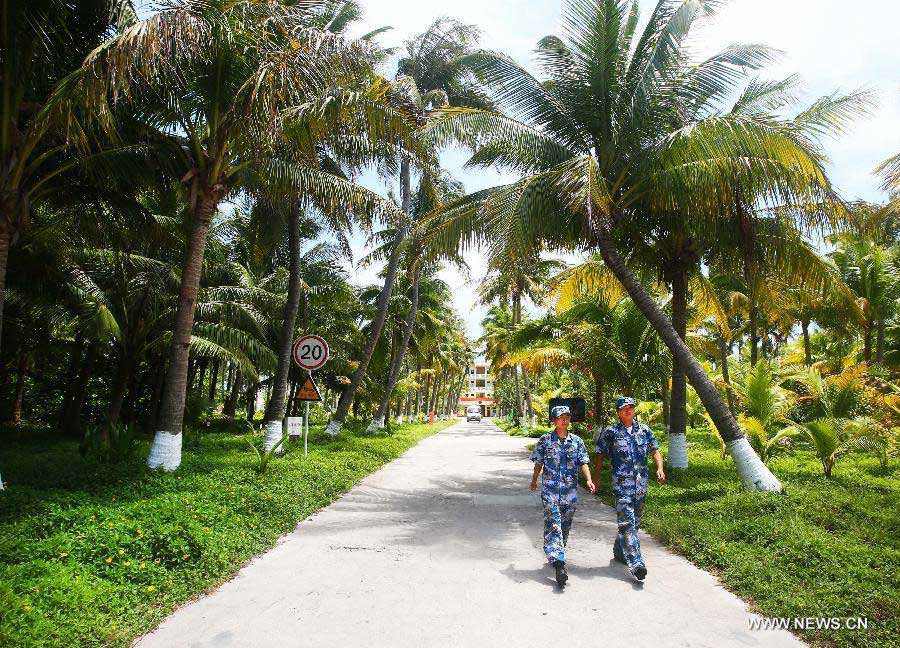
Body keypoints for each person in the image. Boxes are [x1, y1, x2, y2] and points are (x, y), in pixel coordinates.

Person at [594, 396, 665, 581]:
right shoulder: (610, 432)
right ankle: (636, 564)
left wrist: (659, 468)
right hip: (622, 486)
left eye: (631, 408)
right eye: (624, 408)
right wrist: (596, 478)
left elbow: (655, 450)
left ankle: (619, 551)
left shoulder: (644, 430)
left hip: (641, 486)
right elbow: (600, 455)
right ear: (618, 412)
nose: (628, 411)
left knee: (635, 523)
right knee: (628, 524)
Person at [530, 405, 596, 588]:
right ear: (554, 420)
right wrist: (534, 480)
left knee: (564, 527)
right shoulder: (545, 441)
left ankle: (555, 551)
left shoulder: (577, 442)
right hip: (550, 491)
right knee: (554, 524)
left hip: (570, 493)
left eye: (567, 417)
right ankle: (559, 564)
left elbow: (583, 462)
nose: (564, 420)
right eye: (560, 417)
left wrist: (589, 480)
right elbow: (538, 463)